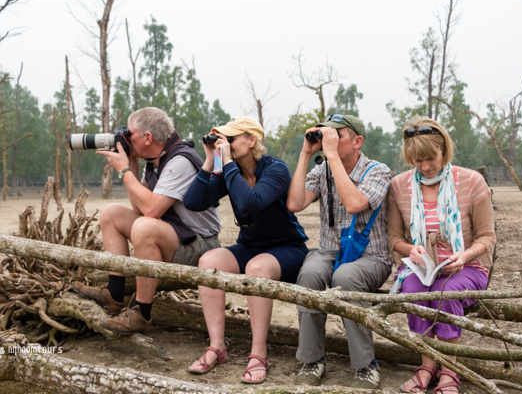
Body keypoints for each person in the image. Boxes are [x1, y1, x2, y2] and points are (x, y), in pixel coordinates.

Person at [72, 107, 221, 335]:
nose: (126, 138)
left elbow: (150, 210)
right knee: (111, 213)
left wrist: (123, 171)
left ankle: (142, 313)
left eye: (130, 134)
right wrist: (130, 163)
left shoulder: (179, 160)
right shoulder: (154, 160)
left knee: (144, 226)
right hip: (177, 236)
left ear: (148, 137)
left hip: (201, 245)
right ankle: (114, 292)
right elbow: (137, 207)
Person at [183, 116, 309, 384]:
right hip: (250, 247)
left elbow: (251, 202)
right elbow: (193, 202)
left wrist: (226, 164)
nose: (224, 144)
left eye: (230, 139)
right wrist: (209, 162)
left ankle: (258, 353)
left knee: (257, 268)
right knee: (208, 261)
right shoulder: (230, 170)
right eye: (222, 140)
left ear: (252, 141)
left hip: (288, 249)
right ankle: (217, 346)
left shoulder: (276, 169)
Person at [388, 116, 495, 394]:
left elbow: (487, 237)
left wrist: (465, 254)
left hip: (466, 267)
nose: (424, 167)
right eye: (416, 160)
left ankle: (449, 371)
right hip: (420, 267)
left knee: (444, 293)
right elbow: (394, 239)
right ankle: (427, 365)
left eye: (430, 158)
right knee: (415, 293)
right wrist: (412, 250)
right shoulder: (399, 186)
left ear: (444, 150)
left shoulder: (472, 181)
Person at [286, 115, 391, 389]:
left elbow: (355, 203)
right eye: (326, 134)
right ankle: (312, 360)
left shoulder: (378, 171)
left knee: (345, 277)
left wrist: (330, 155)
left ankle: (366, 366)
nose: (329, 139)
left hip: (371, 257)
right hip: (329, 252)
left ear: (358, 141)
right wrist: (305, 154)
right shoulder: (323, 170)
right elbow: (295, 203)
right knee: (309, 274)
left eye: (337, 134)